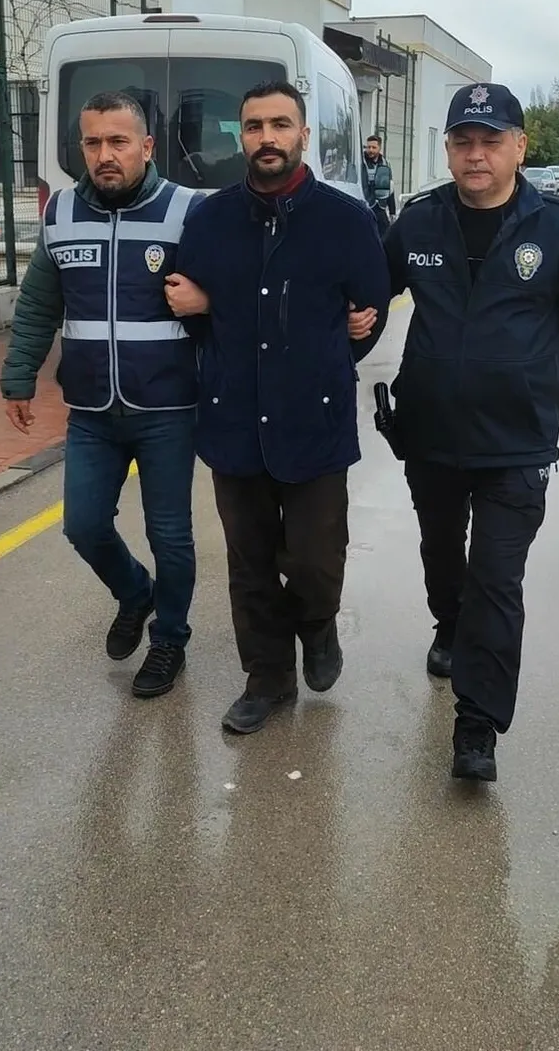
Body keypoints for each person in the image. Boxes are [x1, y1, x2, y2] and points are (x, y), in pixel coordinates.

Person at [351, 82, 559, 782]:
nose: (476, 155)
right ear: (447, 149)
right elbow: (368, 298)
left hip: (516, 440)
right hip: (431, 433)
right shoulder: (419, 222)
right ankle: (448, 624)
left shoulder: (557, 228)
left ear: (519, 148)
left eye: (491, 141)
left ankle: (477, 724)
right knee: (442, 554)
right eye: (463, 141)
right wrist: (345, 343)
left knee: (497, 577)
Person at [165, 80, 391, 734]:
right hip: (234, 419)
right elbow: (187, 307)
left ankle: (317, 624)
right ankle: (267, 680)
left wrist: (327, 350)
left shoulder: (346, 221)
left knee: (317, 559)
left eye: (280, 124)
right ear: (242, 136)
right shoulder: (210, 221)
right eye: (254, 126)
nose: (267, 138)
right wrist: (217, 315)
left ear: (303, 135)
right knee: (251, 563)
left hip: (314, 420)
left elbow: (370, 312)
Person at [0, 91, 206, 699]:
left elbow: (231, 290)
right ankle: (135, 592)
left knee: (170, 534)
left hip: (167, 406)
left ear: (146, 146)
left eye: (118, 141)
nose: (104, 154)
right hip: (91, 408)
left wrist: (207, 301)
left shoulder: (187, 210)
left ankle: (169, 639)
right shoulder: (61, 212)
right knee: (83, 525)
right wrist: (19, 376)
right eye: (93, 142)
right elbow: (39, 303)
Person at [362, 134, 396, 235]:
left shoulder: (385, 164)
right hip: (365, 206)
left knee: (386, 235)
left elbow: (390, 189)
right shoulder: (361, 162)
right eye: (368, 147)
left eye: (374, 147)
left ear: (379, 148)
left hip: (380, 207)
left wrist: (392, 212)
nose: (370, 150)